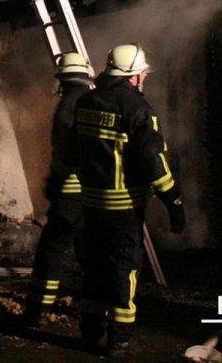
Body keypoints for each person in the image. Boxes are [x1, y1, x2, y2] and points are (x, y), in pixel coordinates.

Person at [72, 44, 185, 356]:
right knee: (124, 269)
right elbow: (153, 160)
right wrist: (173, 201)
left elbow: (75, 149)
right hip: (123, 207)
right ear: (132, 76)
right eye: (142, 74)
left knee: (95, 267)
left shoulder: (86, 102)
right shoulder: (138, 109)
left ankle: (90, 331)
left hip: (90, 204)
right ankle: (118, 338)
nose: (144, 78)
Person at [23, 51, 94, 327]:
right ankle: (93, 313)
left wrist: (55, 184)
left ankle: (38, 309)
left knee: (51, 250)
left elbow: (66, 152)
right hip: (95, 194)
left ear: (64, 80)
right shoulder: (94, 101)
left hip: (70, 193)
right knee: (90, 254)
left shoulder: (68, 106)